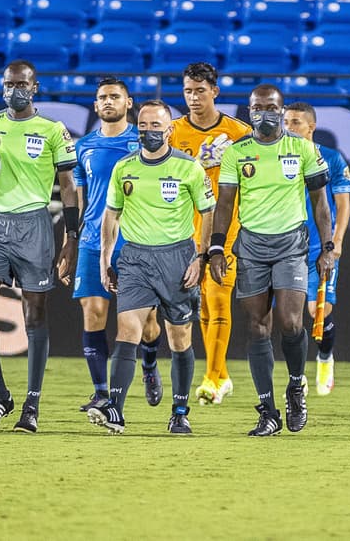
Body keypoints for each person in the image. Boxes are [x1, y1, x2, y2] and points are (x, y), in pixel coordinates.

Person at [0, 60, 78, 433]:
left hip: (34, 225)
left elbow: (69, 187)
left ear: (35, 87)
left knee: (34, 315)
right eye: (9, 84)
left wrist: (71, 239)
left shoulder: (53, 130)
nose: (14, 90)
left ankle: (32, 404)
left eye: (21, 84)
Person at [208, 84, 333, 436]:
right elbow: (225, 204)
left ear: (282, 111)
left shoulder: (303, 148)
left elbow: (321, 203)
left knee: (291, 322)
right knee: (257, 326)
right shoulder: (236, 153)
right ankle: (268, 410)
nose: (264, 113)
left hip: (292, 244)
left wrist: (327, 248)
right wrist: (216, 248)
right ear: (249, 111)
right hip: (250, 247)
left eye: (271, 107)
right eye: (257, 108)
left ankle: (296, 384)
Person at [86, 101, 213, 434]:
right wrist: (105, 260)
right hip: (136, 258)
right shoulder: (124, 168)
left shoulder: (189, 168)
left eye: (156, 126)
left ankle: (180, 412)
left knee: (179, 338)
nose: (149, 132)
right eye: (143, 126)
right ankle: (115, 409)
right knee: (128, 332)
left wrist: (200, 257)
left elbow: (208, 211)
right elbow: (111, 215)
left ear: (169, 129)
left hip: (177, 258)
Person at [72, 78, 166, 411]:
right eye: (102, 98)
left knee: (146, 322)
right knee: (94, 313)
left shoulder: (143, 141)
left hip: (137, 241)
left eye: (115, 96)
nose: (108, 102)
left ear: (129, 103)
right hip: (94, 240)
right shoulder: (83, 146)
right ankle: (101, 392)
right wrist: (72, 240)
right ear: (96, 106)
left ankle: (150, 365)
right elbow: (84, 201)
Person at [169, 62, 251, 406]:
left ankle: (211, 377)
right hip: (185, 233)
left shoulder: (239, 132)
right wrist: (197, 165)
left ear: (215, 92)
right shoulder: (172, 131)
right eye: (188, 91)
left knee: (218, 300)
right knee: (199, 305)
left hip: (225, 232)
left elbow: (254, 178)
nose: (193, 97)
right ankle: (221, 375)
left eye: (200, 90)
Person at [282, 101, 350, 396]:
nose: (288, 127)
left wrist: (336, 241)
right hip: (287, 245)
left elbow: (343, 204)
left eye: (296, 122)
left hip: (319, 246)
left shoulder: (333, 159)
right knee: (291, 316)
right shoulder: (278, 156)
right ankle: (296, 375)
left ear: (311, 127)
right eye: (286, 121)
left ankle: (325, 357)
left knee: (318, 311)